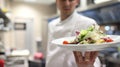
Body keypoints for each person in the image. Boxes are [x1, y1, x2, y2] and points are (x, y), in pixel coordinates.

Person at [46, 0, 101, 67]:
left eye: (71, 0)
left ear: (77, 1)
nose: (67, 3)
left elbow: (94, 59)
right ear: (57, 1)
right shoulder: (51, 25)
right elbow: (49, 52)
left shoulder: (88, 23)